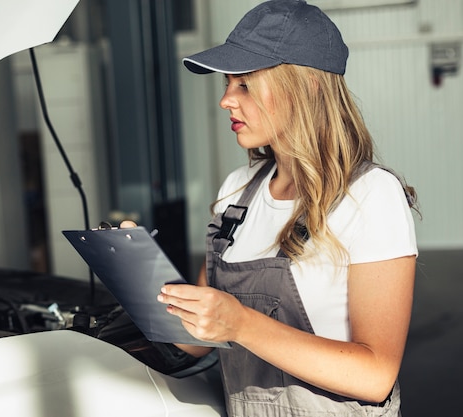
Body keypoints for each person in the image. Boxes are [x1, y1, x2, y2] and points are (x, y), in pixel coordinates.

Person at [152, 1, 419, 416]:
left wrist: (242, 324)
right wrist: (138, 270)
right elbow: (194, 337)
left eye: (243, 85)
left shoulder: (370, 196)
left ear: (307, 85)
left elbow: (375, 375)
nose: (226, 100)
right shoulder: (236, 191)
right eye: (227, 84)